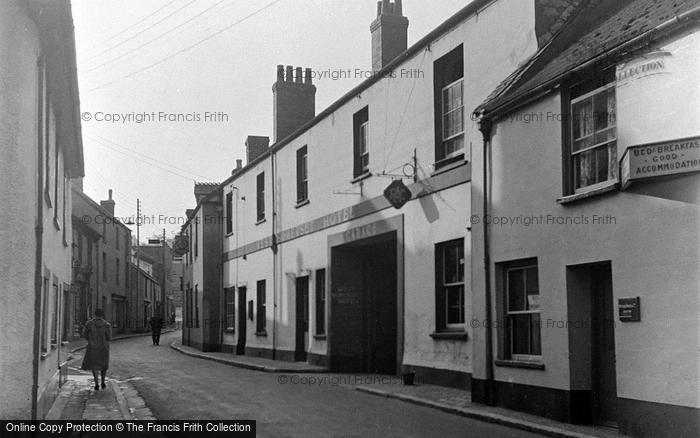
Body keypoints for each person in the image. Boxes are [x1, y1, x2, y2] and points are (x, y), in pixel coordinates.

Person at [81, 309, 111, 391]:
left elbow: (85, 335)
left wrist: (90, 340)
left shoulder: (89, 324)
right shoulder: (107, 325)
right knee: (103, 365)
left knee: (94, 365)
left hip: (92, 347)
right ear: (102, 315)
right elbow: (109, 337)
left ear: (95, 314)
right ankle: (103, 382)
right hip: (104, 347)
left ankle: (96, 383)